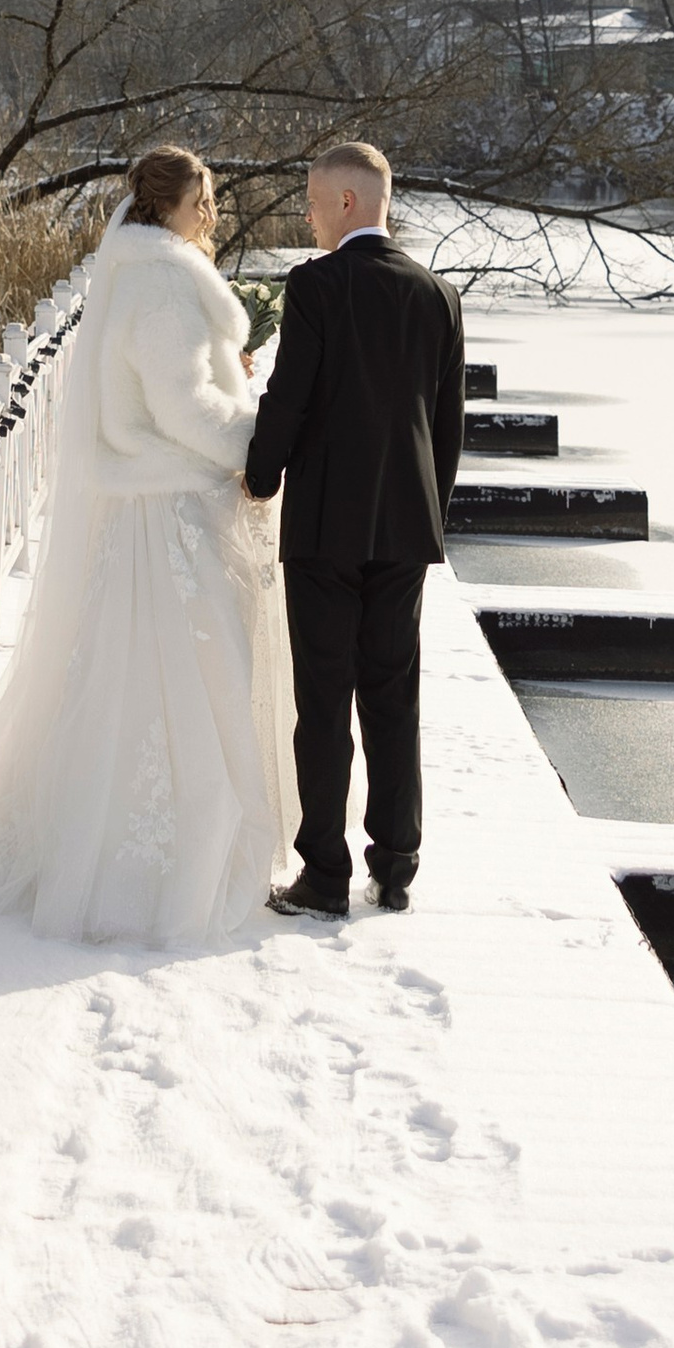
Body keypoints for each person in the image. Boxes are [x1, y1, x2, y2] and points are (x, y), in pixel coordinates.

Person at [0, 145, 298, 942]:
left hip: (147, 501)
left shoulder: (138, 267)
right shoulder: (162, 280)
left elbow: (161, 385)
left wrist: (230, 365)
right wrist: (258, 437)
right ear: (170, 207)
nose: (212, 212)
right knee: (185, 674)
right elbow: (181, 406)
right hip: (167, 512)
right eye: (203, 199)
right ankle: (152, 869)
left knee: (138, 672)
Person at [243, 140, 464, 917]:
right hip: (406, 527)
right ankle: (396, 863)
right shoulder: (437, 293)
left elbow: (289, 397)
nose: (306, 215)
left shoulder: (316, 286)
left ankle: (325, 873)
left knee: (324, 697)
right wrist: (427, 511)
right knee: (393, 694)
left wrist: (261, 473)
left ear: (347, 202)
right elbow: (446, 425)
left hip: (325, 527)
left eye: (311, 199)